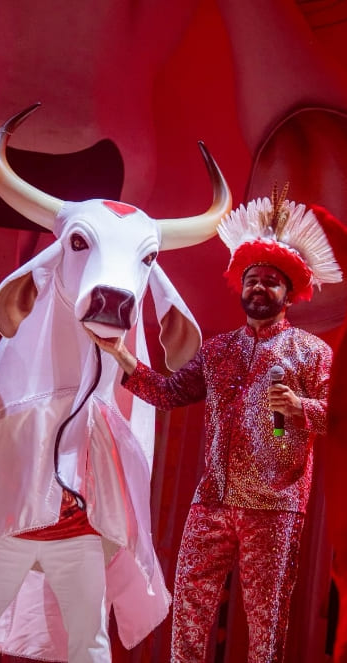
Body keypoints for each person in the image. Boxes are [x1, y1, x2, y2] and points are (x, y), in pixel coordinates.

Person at [87, 185, 344, 663]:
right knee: (189, 610)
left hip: (275, 506)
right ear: (240, 287)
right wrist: (122, 356)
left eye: (271, 281)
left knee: (266, 623)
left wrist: (300, 408)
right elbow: (168, 393)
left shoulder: (311, 352)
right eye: (252, 279)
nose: (259, 288)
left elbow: (339, 418)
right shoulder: (220, 349)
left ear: (289, 293)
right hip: (211, 501)